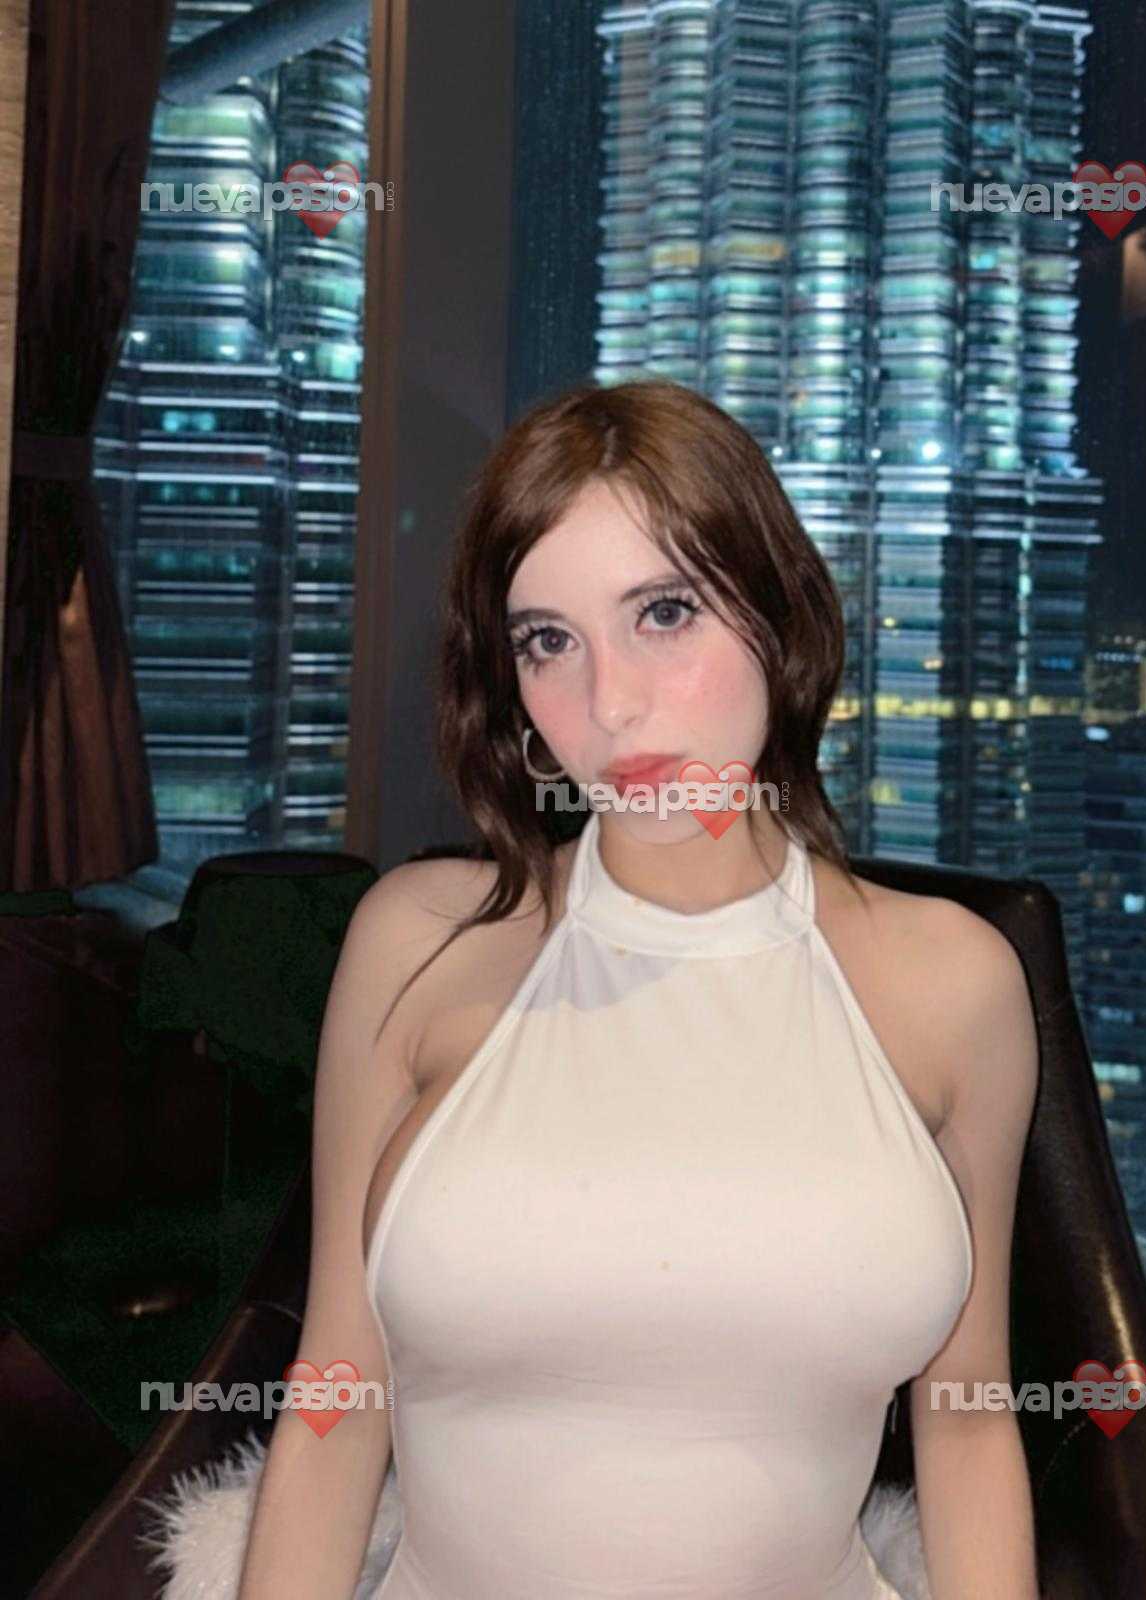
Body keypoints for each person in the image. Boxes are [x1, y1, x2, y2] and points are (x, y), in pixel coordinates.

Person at [235, 379, 1040, 1599]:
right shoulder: (418, 945)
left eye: (664, 612)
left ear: (779, 615)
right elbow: (337, 1392)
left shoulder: (955, 983)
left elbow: (971, 1417)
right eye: (548, 641)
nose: (608, 703)